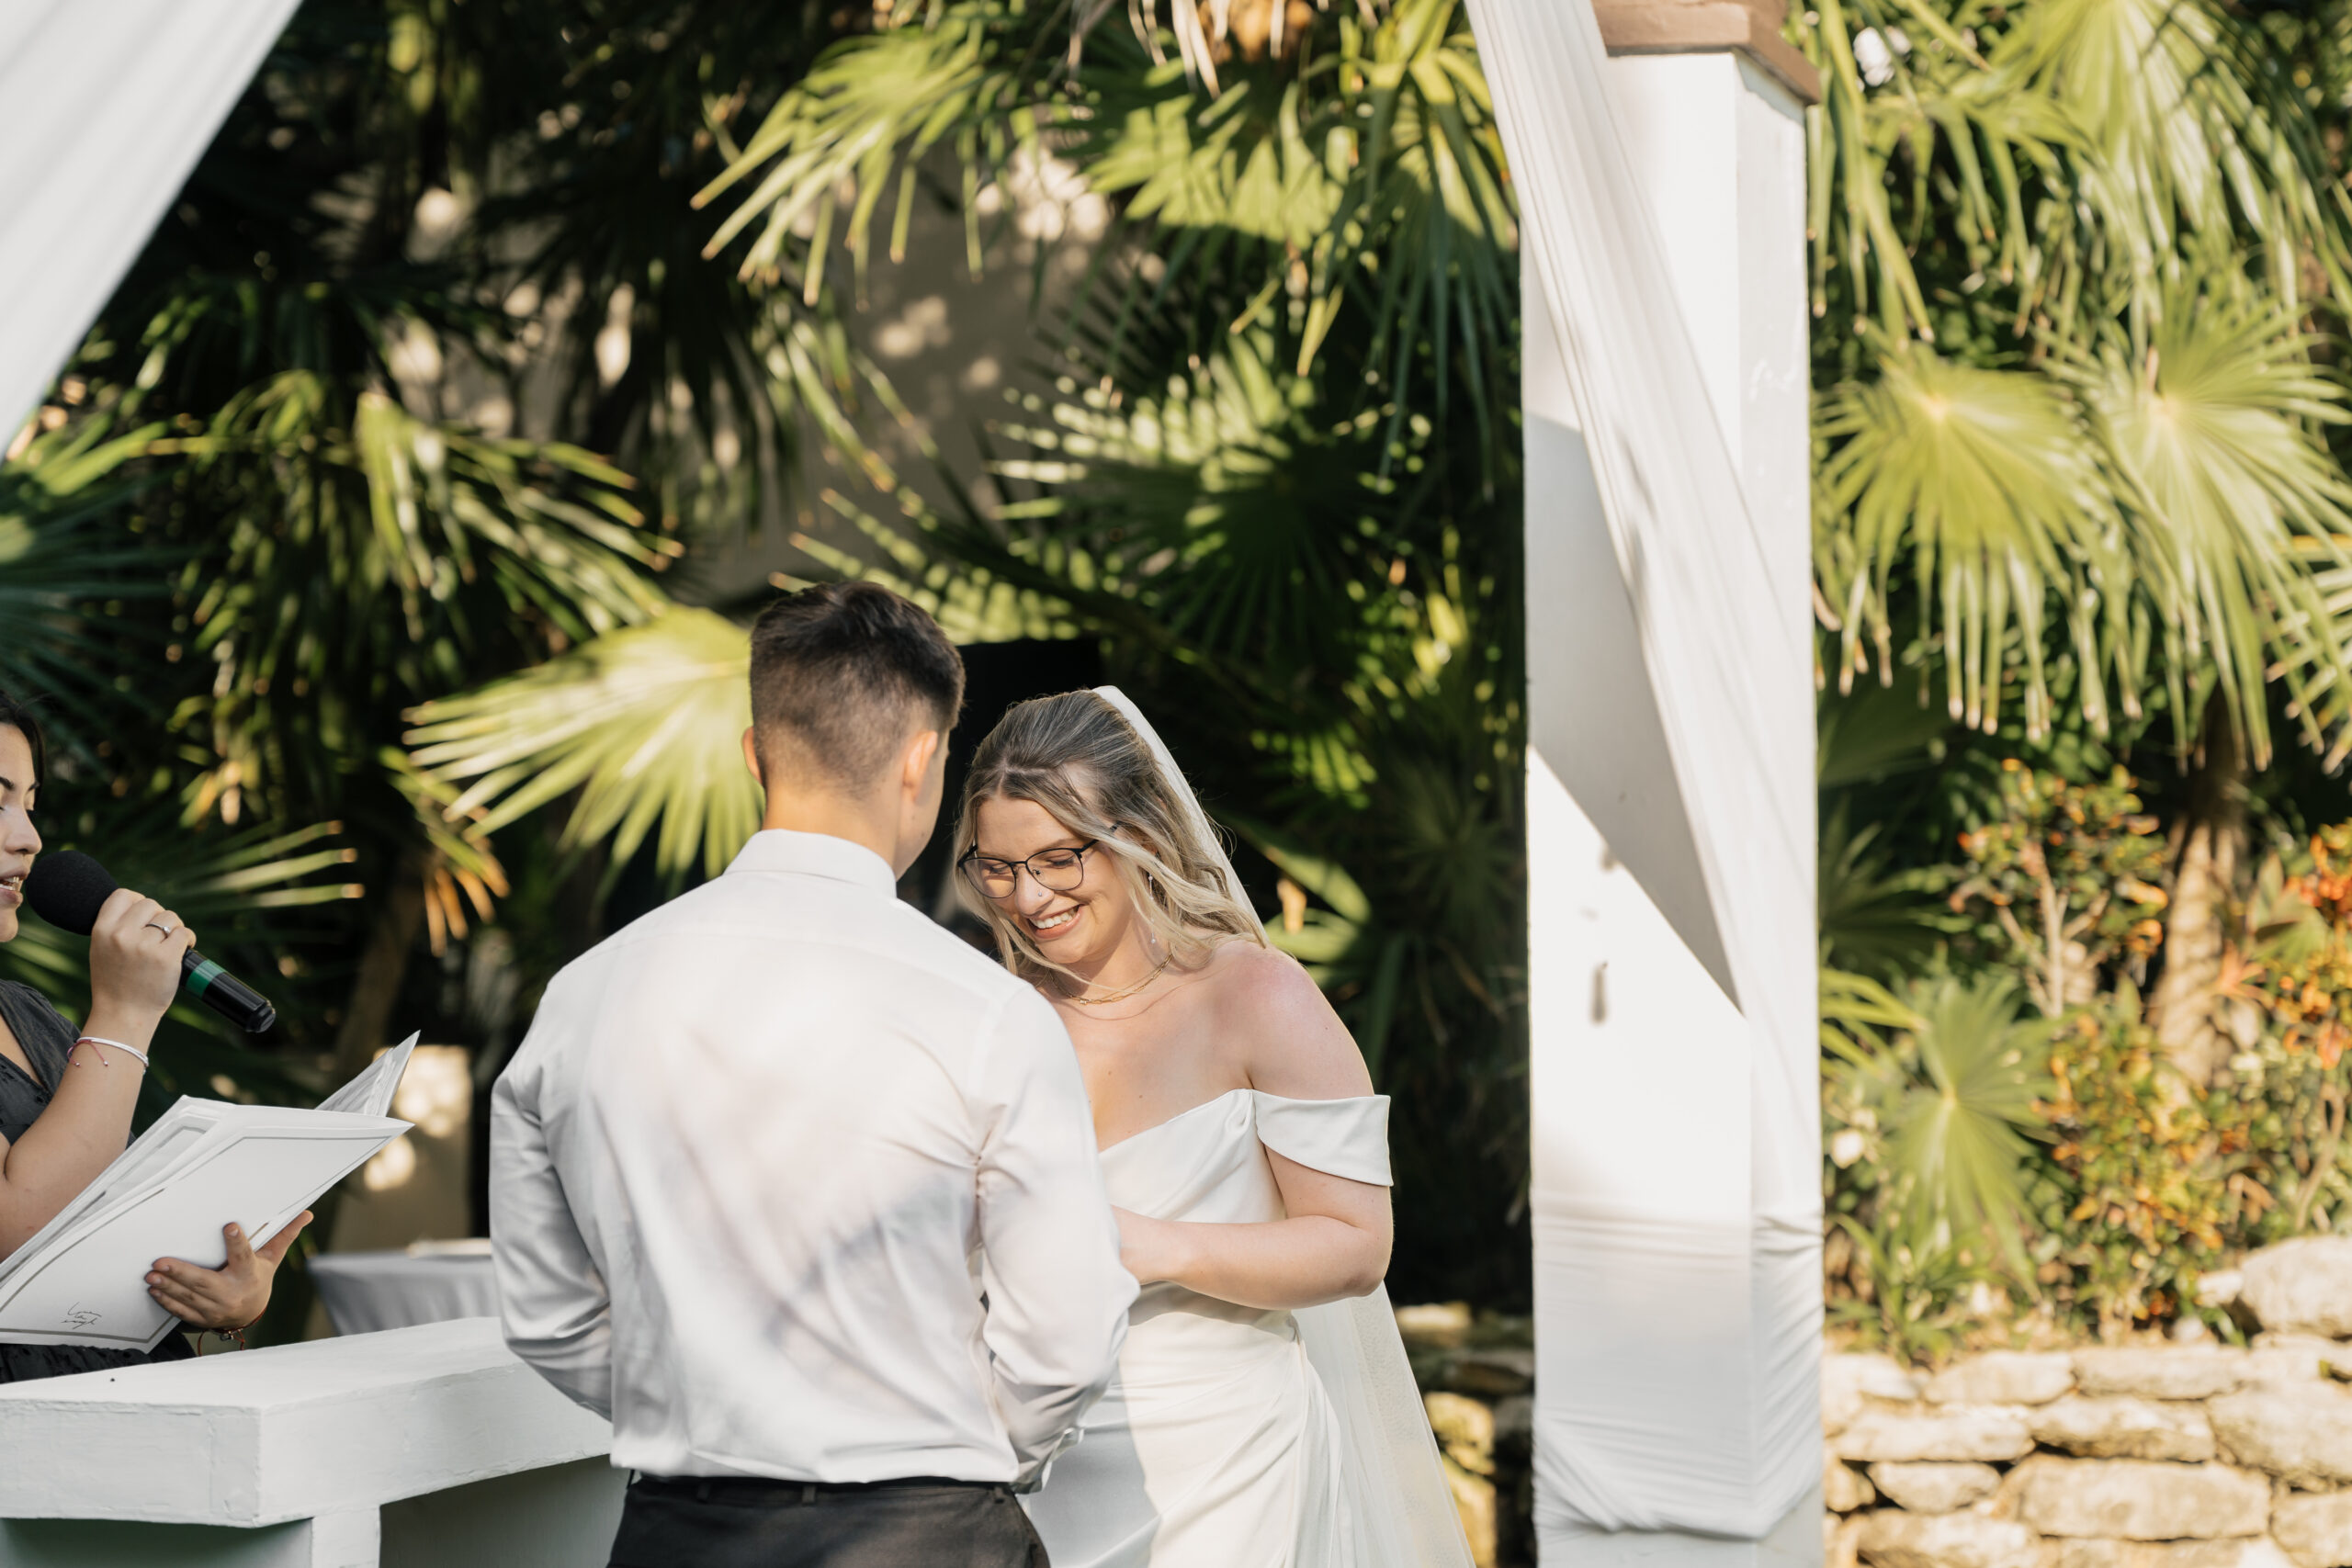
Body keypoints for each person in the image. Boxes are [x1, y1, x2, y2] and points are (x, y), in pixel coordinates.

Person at [492, 583, 1136, 1568]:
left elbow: (545, 1319)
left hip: (675, 1535)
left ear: (753, 755)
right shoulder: (987, 1011)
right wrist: (950, 1458)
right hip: (926, 1533)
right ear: (923, 759)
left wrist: (713, 1411)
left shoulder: (583, 999)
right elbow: (1068, 1338)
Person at [955, 688, 1474, 1568]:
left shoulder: (1255, 997)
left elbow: (1356, 1245)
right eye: (997, 867)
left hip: (1237, 1465)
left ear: (1141, 838)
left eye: (1056, 859)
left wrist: (1149, 1246)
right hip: (1043, 1473)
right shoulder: (999, 1021)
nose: (1027, 896)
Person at [0, 691, 311, 1381]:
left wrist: (221, 1291)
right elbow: (19, 1230)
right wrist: (127, 1012)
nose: (28, 837)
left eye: (30, 804)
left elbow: (111, 1233)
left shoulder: (28, 1013)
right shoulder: (111, 1018)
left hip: (136, 1428)